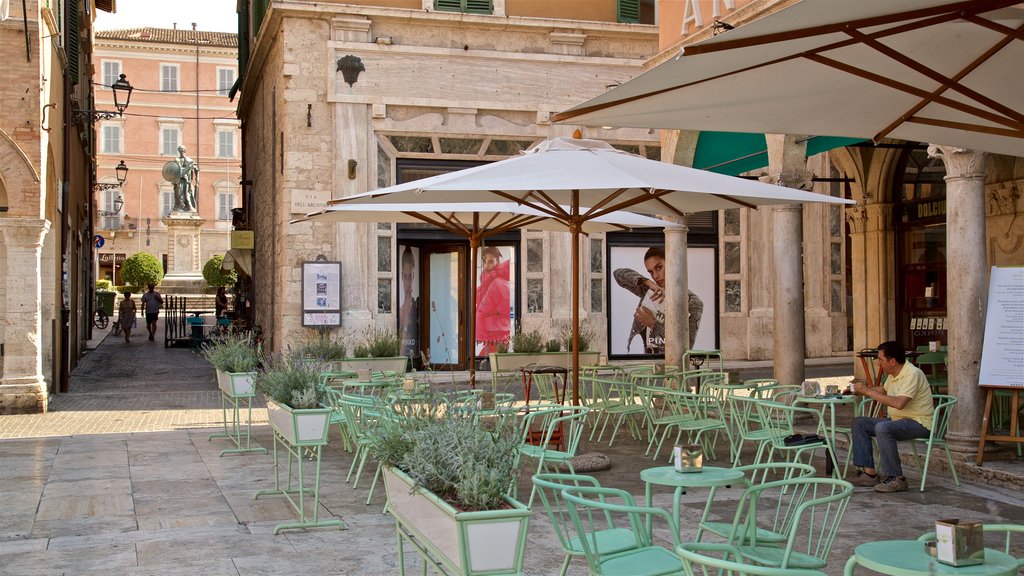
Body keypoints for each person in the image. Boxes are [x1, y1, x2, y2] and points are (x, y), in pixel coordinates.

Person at [848, 341, 934, 493]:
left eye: (881, 360)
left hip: (920, 423)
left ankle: (896, 478)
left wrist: (868, 392)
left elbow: (899, 403)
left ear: (892, 361)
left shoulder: (912, 374)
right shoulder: (894, 374)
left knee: (883, 427)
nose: (878, 364)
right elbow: (884, 390)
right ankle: (869, 474)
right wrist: (859, 390)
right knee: (859, 422)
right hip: (898, 421)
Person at [613, 246, 703, 354]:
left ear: (671, 264)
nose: (655, 276)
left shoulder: (692, 302)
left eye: (659, 267)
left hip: (674, 366)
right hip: (649, 363)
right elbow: (618, 274)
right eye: (651, 272)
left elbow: (685, 347)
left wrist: (652, 324)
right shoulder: (651, 292)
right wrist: (648, 282)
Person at [475, 246, 511, 355]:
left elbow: (507, 319)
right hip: (491, 340)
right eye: (484, 262)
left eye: (490, 262)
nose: (486, 266)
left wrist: (485, 323)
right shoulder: (488, 282)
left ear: (498, 261)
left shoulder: (498, 284)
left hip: (497, 340)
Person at [397, 247, 419, 359]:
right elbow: (400, 352)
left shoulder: (417, 305)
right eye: (405, 277)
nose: (407, 283)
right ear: (401, 276)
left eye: (410, 276)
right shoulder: (399, 308)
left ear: (414, 276)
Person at [173, 145, 199, 212]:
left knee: (186, 193)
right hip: (179, 180)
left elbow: (196, 169)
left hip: (187, 180)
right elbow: (173, 170)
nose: (181, 151)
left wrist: (197, 179)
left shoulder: (189, 160)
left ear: (185, 151)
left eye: (182, 150)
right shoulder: (177, 160)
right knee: (179, 194)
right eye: (180, 150)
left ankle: (188, 207)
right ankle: (179, 207)